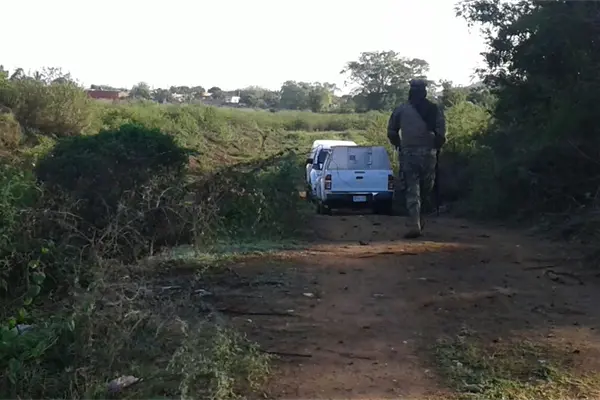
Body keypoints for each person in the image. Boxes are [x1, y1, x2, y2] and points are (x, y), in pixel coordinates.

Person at [387, 79, 446, 238]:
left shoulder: (401, 110)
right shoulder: (434, 110)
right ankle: (418, 221)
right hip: (428, 155)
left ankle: (416, 221)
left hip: (409, 154)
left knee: (413, 190)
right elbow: (441, 135)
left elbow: (391, 132)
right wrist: (434, 146)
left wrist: (399, 145)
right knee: (424, 189)